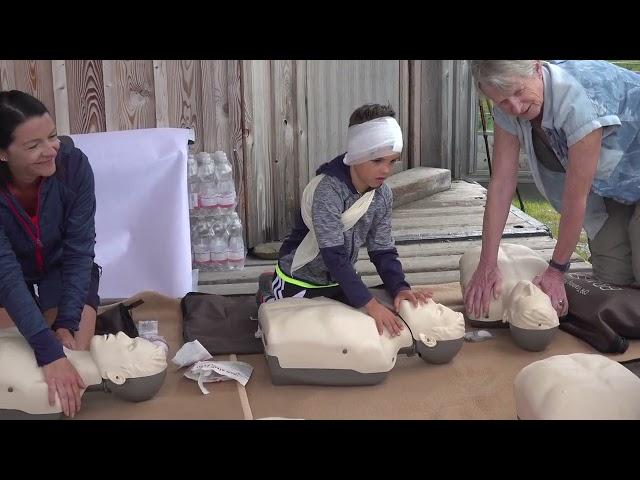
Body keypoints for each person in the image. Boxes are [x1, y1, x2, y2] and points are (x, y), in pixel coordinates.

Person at [464, 60, 640, 320]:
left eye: (518, 92)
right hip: (613, 181)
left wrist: (556, 270)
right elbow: (501, 184)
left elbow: (575, 198)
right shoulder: (508, 103)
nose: (514, 107)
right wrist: (487, 264)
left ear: (536, 67)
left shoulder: (579, 99)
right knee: (612, 286)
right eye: (501, 102)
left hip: (627, 166)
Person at [271, 103, 432, 337]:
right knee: (306, 339)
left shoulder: (382, 195)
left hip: (339, 283)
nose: (386, 170)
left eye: (392, 161)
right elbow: (333, 255)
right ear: (357, 155)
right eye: (377, 160)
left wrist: (399, 287)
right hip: (299, 280)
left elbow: (382, 250)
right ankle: (269, 289)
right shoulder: (328, 191)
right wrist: (371, 303)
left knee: (375, 331)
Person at [0, 90, 101, 417]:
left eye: (52, 136)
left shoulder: (74, 166)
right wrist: (46, 350)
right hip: (8, 275)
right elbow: (5, 273)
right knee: (19, 360)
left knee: (72, 360)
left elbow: (79, 250)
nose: (50, 150)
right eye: (33, 146)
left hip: (61, 266)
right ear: (3, 154)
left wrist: (65, 324)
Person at [0, 330, 167, 418]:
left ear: (117, 376)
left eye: (130, 346)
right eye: (132, 338)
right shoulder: (56, 342)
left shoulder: (52, 393)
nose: (122, 335)